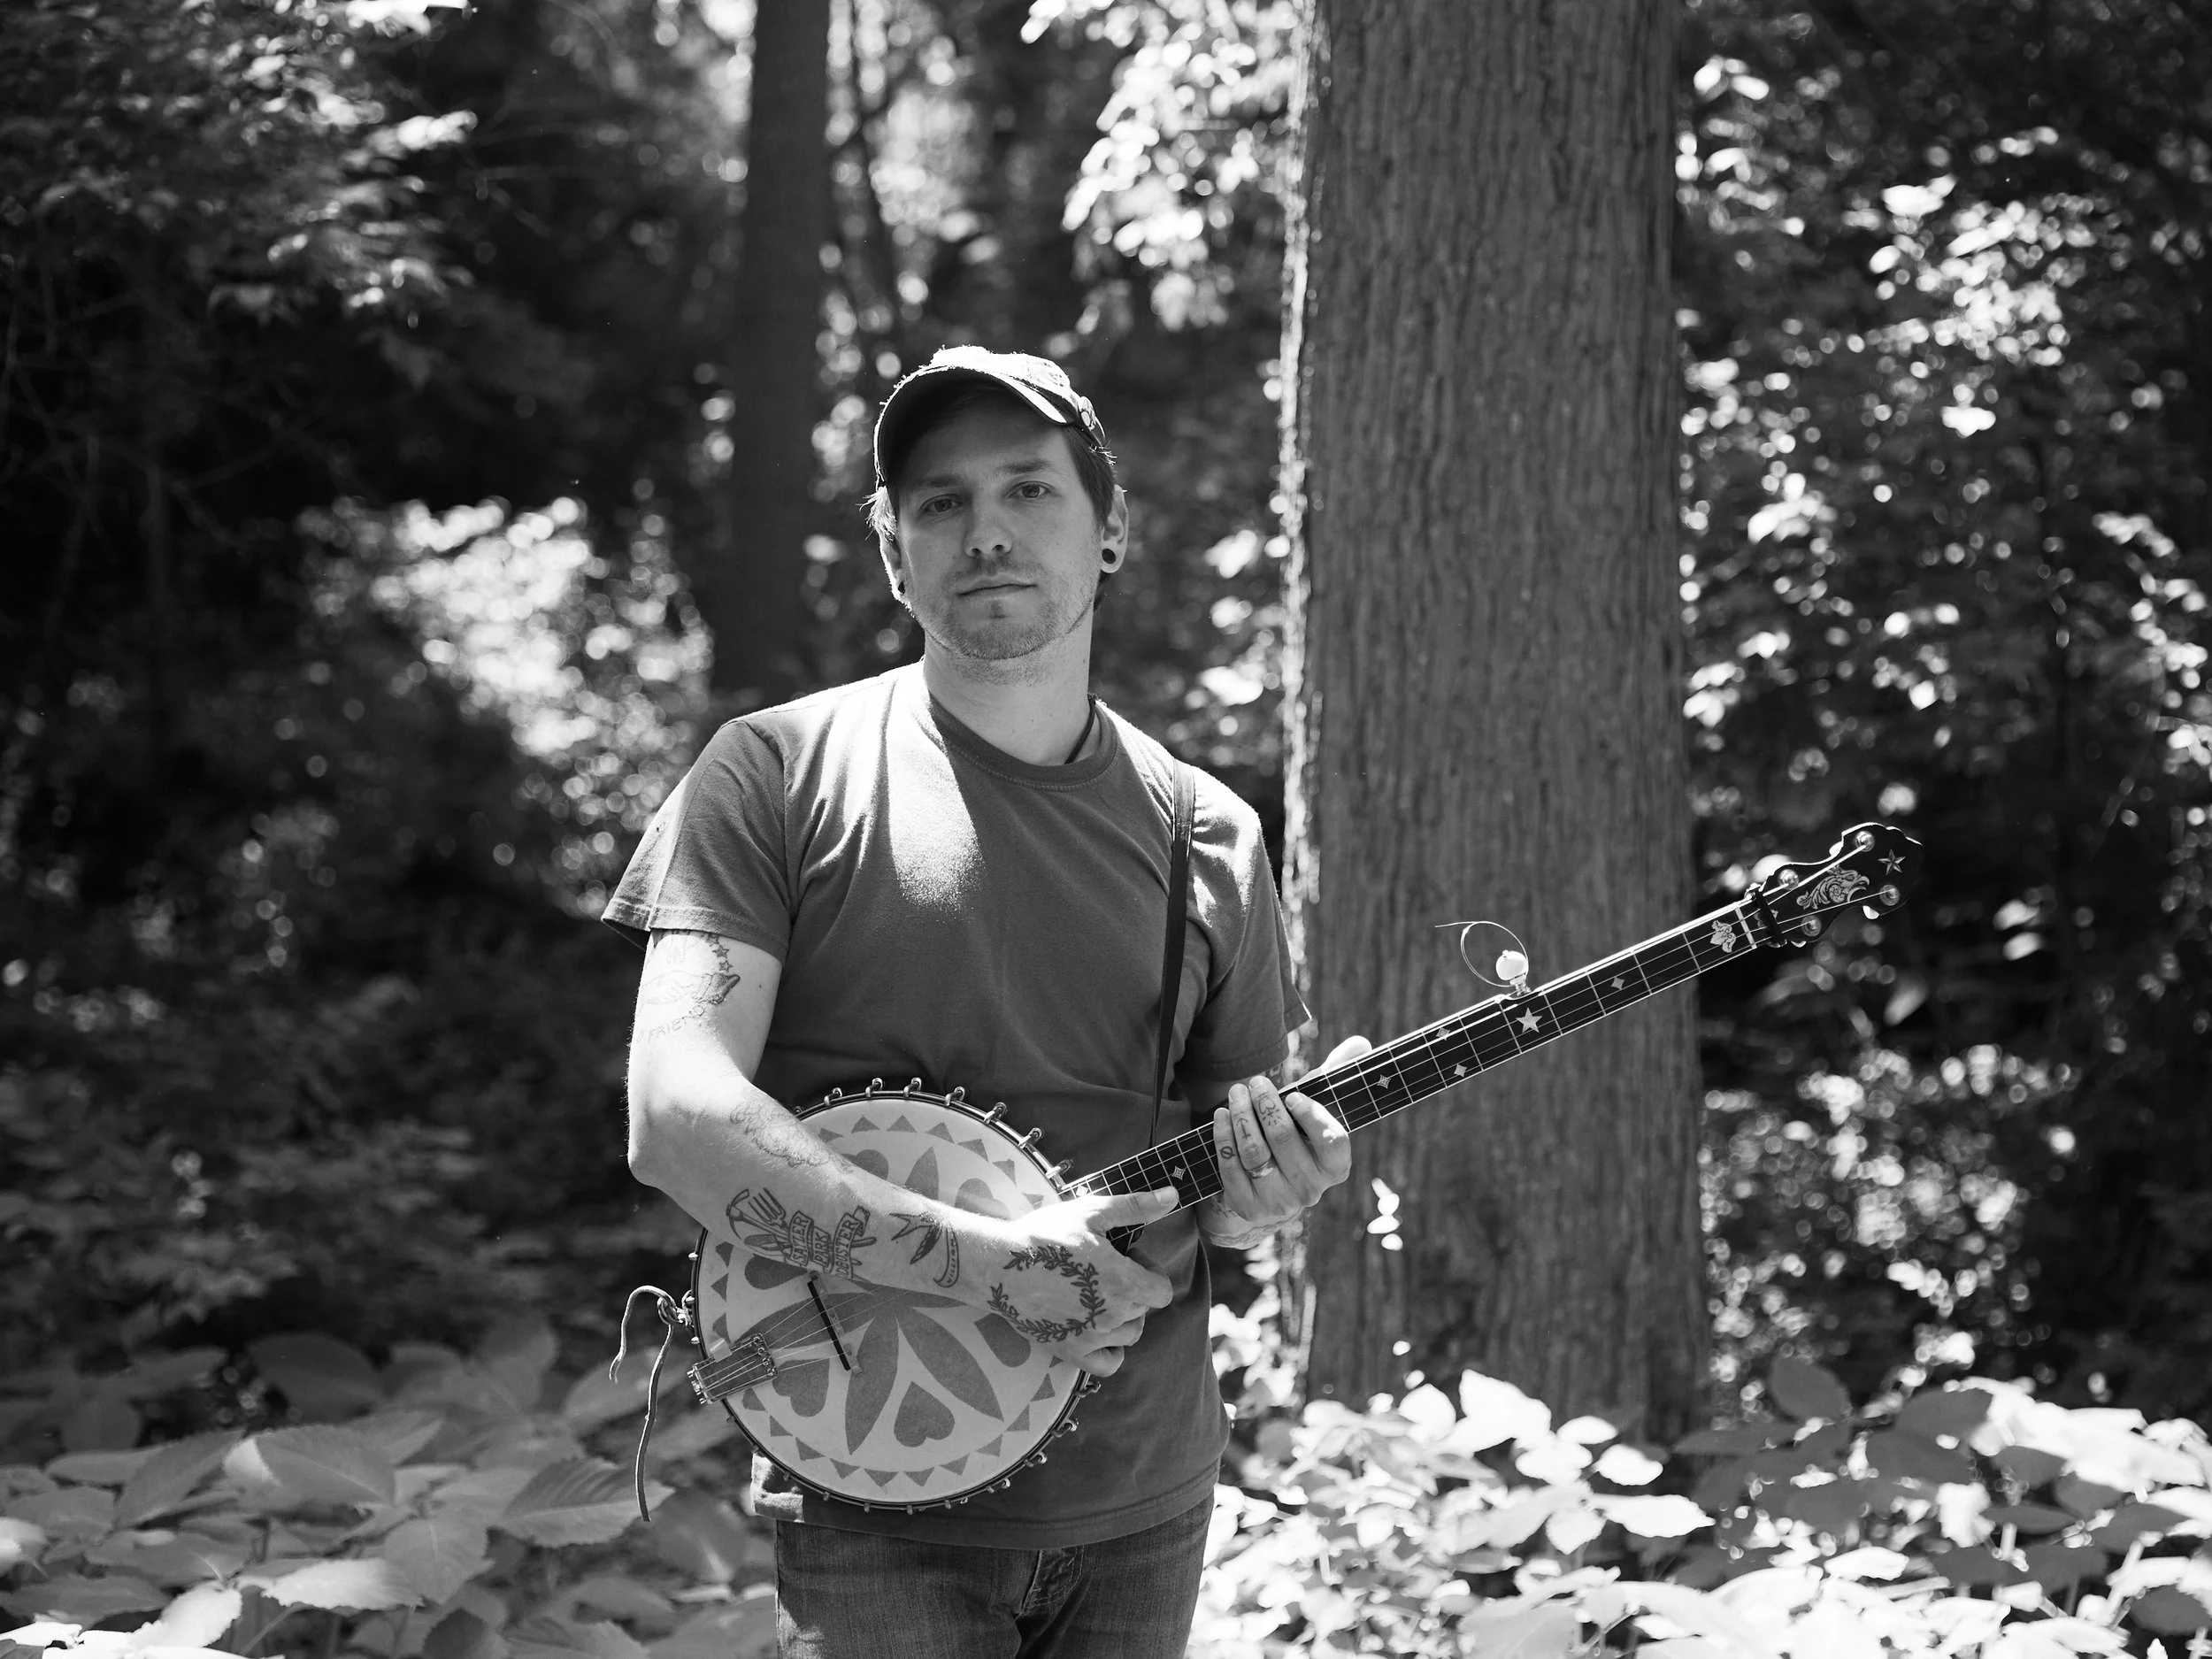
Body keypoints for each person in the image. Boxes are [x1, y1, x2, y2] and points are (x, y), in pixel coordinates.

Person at [605, 345, 1365, 1659]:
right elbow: (674, 1114)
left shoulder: (1212, 835)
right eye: (943, 502)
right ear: (895, 552)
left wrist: (1269, 1189)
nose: (989, 532)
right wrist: (988, 1268)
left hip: (1143, 1500)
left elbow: (1229, 1203)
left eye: (1031, 490)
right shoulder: (775, 776)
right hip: (871, 1493)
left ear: (1110, 528)